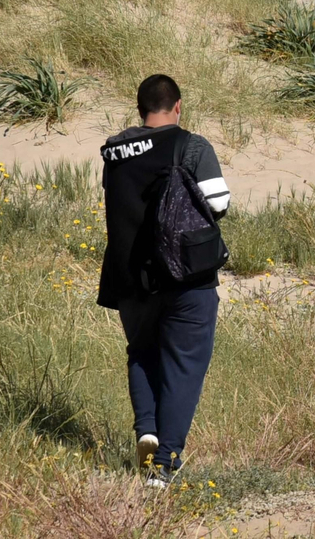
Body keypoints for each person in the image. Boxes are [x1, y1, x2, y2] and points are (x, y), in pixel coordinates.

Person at [99, 74, 231, 487]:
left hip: (128, 278)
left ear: (140, 109)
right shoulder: (190, 144)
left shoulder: (115, 151)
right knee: (184, 363)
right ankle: (166, 463)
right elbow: (219, 203)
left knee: (142, 352)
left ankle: (148, 430)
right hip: (185, 277)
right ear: (178, 107)